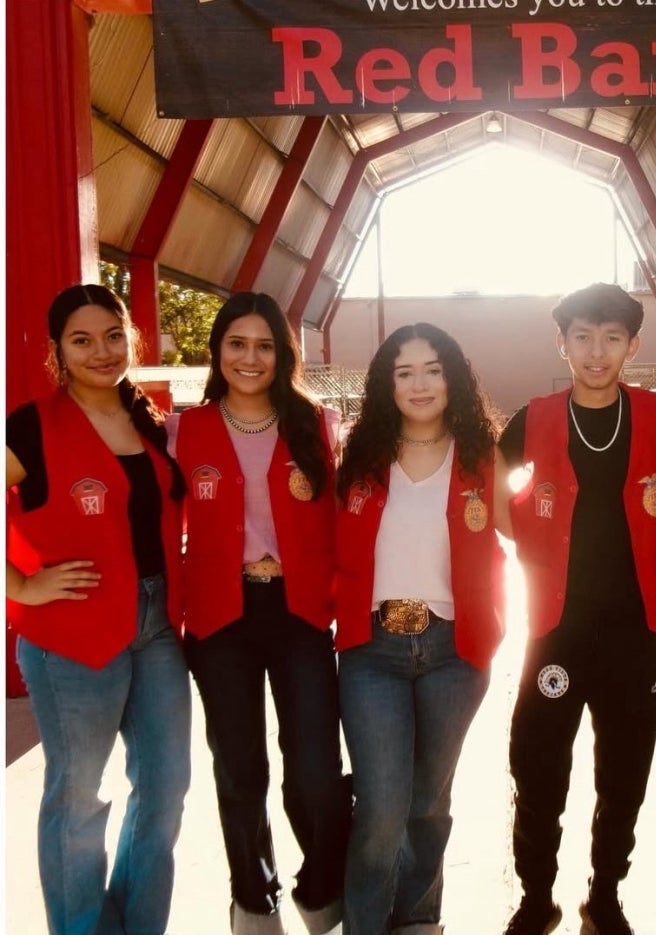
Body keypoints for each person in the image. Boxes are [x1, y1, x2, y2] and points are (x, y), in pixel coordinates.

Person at [499, 283, 656, 935]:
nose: (596, 350)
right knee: (538, 762)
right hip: (558, 632)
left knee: (625, 772)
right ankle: (536, 895)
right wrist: (527, 535)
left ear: (633, 344)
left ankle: (604, 892)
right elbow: (487, 486)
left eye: (612, 337)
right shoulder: (535, 415)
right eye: (582, 335)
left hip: (638, 632)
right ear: (563, 341)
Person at [6, 284, 191, 935]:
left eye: (113, 335)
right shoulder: (29, 425)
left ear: (131, 339)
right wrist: (21, 586)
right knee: (79, 799)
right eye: (81, 340)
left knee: (165, 789)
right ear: (58, 349)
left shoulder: (153, 420)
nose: (101, 351)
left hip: (158, 626)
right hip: (71, 635)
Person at [170, 292, 349, 935]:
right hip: (220, 619)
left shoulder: (316, 424)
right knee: (239, 767)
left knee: (315, 770)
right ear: (218, 351)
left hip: (300, 613)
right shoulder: (182, 430)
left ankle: (324, 886)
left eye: (265, 345)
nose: (250, 358)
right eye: (237, 344)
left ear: (283, 353)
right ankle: (254, 897)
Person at [333, 322, 505, 935]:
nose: (420, 384)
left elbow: (544, 527)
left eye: (433, 368)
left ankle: (418, 920)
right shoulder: (358, 456)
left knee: (429, 805)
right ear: (387, 384)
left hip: (454, 651)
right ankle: (364, 924)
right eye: (404, 372)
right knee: (381, 808)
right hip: (371, 651)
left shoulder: (483, 457)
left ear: (453, 377)